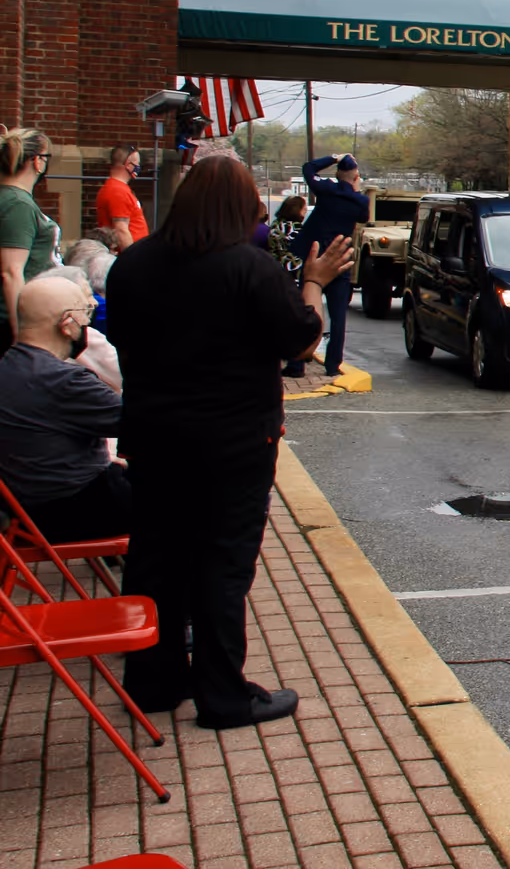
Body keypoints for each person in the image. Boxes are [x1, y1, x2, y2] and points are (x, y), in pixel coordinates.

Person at [108, 154, 352, 730]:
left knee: (154, 555)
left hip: (152, 435)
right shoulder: (249, 267)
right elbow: (298, 341)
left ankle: (153, 680)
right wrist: (314, 284)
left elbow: (122, 341)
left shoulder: (133, 266)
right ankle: (223, 694)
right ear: (245, 208)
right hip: (233, 441)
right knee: (221, 562)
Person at [0, 274, 128, 541]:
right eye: (85, 313)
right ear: (67, 323)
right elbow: (149, 423)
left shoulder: (7, 368)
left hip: (24, 516)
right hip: (73, 512)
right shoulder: (64, 380)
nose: (87, 324)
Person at [288, 155, 367, 377]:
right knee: (338, 315)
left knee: (306, 309)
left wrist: (332, 158)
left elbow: (308, 168)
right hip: (339, 260)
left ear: (336, 175)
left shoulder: (325, 190)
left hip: (315, 259)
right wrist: (356, 189)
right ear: (356, 176)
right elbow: (363, 217)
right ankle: (333, 364)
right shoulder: (360, 201)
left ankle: (297, 364)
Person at [1, 128, 61, 354]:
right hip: (11, 322)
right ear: (37, 161)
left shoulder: (15, 200)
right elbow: (11, 272)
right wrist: (20, 335)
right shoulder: (18, 204)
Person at [95, 144, 148, 249]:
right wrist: (132, 258)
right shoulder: (117, 191)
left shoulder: (118, 189)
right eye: (137, 163)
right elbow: (121, 230)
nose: (138, 167)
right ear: (128, 165)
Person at [267, 194, 306, 276]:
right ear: (297, 210)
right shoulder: (295, 228)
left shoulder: (275, 225)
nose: (305, 211)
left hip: (274, 269)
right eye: (304, 209)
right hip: (293, 270)